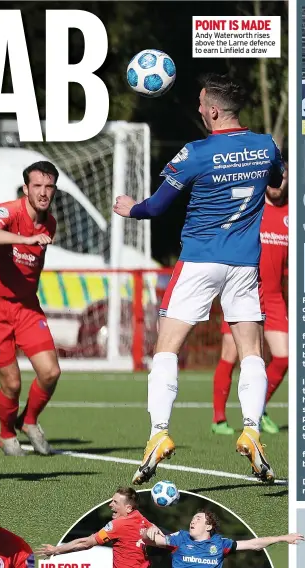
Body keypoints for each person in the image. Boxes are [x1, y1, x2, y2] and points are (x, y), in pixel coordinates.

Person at [113, 74, 285, 485]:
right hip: (245, 264)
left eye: (201, 103)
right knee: (252, 352)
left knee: (167, 347)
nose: (198, 109)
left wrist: (129, 208)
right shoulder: (265, 146)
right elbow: (277, 186)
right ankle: (252, 430)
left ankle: (158, 435)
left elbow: (156, 207)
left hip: (199, 262)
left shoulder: (195, 152)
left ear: (211, 111)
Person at [0, 160, 61, 457]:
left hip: (25, 306)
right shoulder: (9, 210)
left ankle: (29, 421)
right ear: (26, 188)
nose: (43, 192)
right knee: (11, 381)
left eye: (49, 187)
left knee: (50, 372)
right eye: (37, 186)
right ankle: (6, 433)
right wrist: (25, 238)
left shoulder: (50, 223)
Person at [212, 185, 288, 436]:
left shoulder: (292, 214)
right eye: (275, 178)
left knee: (283, 357)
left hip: (275, 295)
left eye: (283, 177)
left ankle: (258, 408)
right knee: (230, 356)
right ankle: (219, 419)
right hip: (245, 290)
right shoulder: (251, 206)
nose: (278, 183)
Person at [141, 509, 303, 568]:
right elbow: (154, 540)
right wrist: (148, 532)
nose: (193, 521)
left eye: (198, 519)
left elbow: (254, 544)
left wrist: (283, 537)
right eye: (192, 519)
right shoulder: (180, 538)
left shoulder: (220, 545)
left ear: (209, 526)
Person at [37, 487, 163, 568]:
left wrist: (56, 550)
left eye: (115, 502)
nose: (110, 504)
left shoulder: (119, 524)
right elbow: (154, 529)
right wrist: (154, 527)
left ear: (128, 508)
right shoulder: (138, 517)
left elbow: (86, 543)